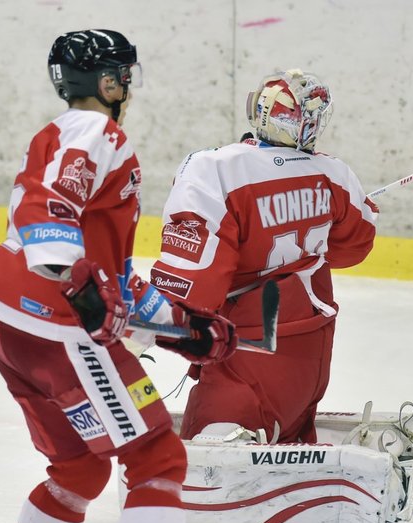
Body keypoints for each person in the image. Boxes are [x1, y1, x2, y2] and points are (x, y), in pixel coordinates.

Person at [0, 29, 237, 523]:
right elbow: (51, 211)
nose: (127, 88)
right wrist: (74, 285)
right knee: (155, 455)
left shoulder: (68, 134)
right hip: (59, 327)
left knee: (78, 466)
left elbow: (108, 276)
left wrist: (182, 325)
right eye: (122, 76)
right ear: (108, 82)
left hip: (14, 326)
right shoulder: (97, 135)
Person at [149, 68, 377, 446]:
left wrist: (145, 327)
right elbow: (354, 246)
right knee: (285, 433)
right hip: (311, 354)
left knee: (198, 462)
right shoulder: (335, 173)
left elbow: (192, 280)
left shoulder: (216, 169)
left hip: (249, 355)